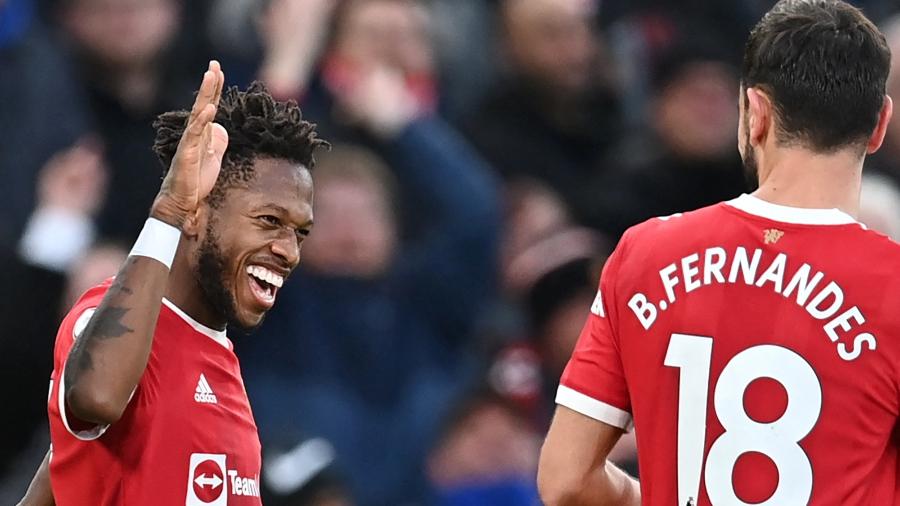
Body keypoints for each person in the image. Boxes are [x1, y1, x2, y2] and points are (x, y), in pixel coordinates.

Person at [538, 1, 900, 505]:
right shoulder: (893, 285)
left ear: (756, 113)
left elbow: (566, 480)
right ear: (880, 124)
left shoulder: (644, 254)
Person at [18, 62, 328, 505]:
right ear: (197, 213)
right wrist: (169, 212)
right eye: (269, 221)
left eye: (299, 233)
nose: (289, 250)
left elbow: (63, 469)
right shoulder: (105, 316)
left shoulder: (223, 366)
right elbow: (95, 399)